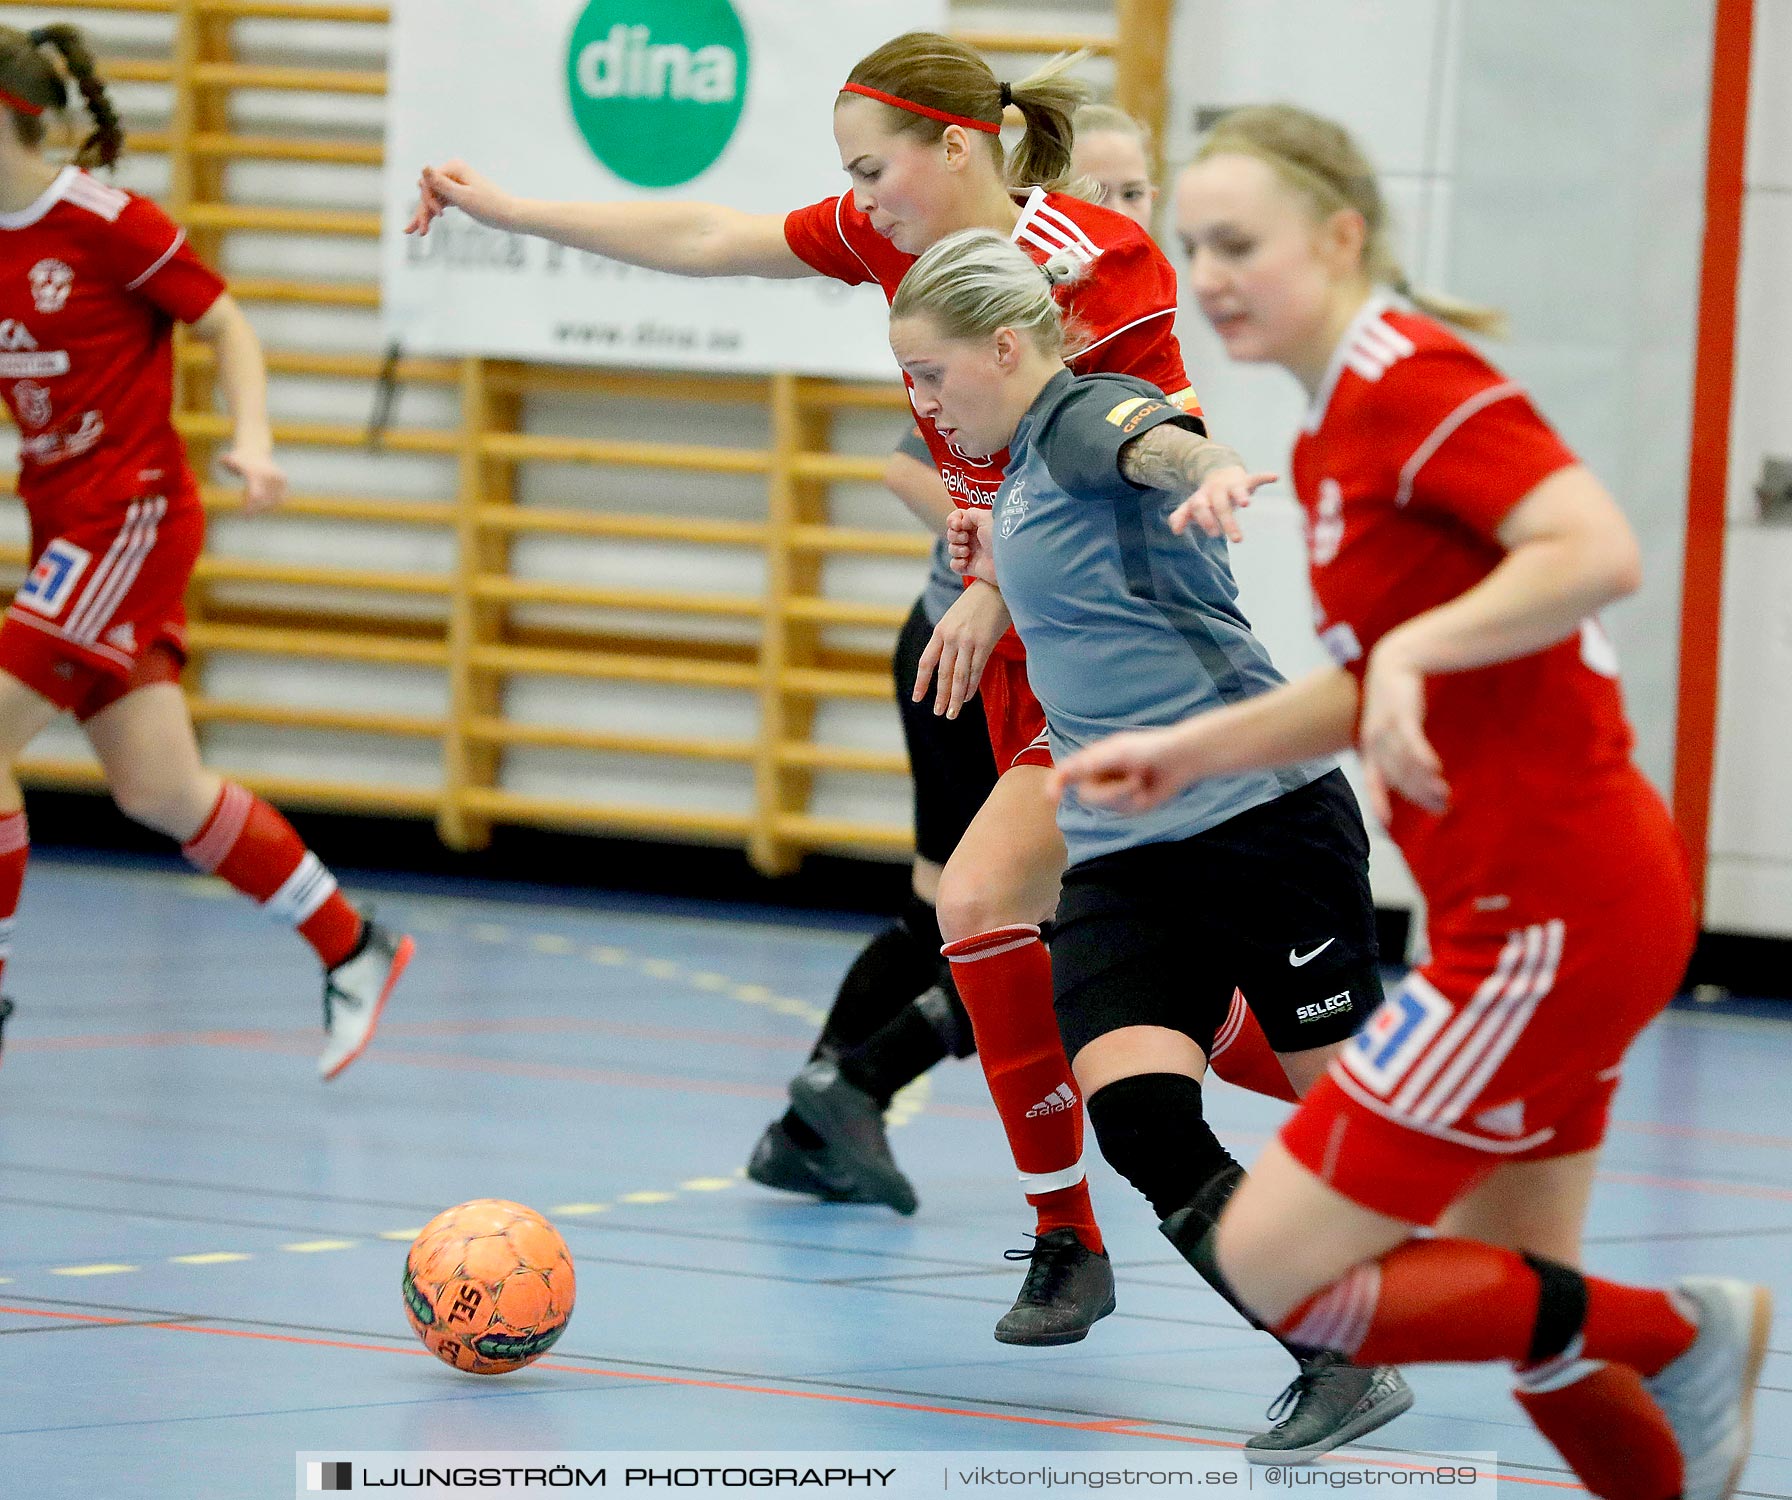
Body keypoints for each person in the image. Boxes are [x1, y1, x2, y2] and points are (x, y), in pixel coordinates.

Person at [408, 32, 1302, 1350]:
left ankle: (1374, 1129)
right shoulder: (903, 248)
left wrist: (1015, 561)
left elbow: (1137, 448)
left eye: (873, 167)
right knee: (1002, 915)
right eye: (848, 175)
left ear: (960, 147)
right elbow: (712, 238)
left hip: (1136, 651)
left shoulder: (1095, 265)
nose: (859, 195)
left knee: (1123, 970)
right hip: (1044, 648)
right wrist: (508, 206)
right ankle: (1065, 1235)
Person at [1050, 104, 1768, 1499]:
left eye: (1241, 242)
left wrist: (1425, 652)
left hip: (1547, 913)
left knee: (1282, 1265)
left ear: (1342, 232)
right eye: (1192, 245)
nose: (1210, 271)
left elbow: (1595, 546)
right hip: (1554, 903)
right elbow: (1367, 678)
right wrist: (1192, 753)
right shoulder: (1331, 445)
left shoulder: (1409, 382)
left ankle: (1689, 1330)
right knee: (1536, 1313)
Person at [890, 225, 1411, 1460]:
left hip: (1261, 824)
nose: (919, 400)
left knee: (1347, 1136)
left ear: (1008, 344)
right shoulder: (1009, 476)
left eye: (931, 374)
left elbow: (1144, 444)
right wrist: (983, 564)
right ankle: (1335, 1354)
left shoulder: (1082, 415)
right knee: (1139, 1120)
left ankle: (1547, 1306)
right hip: (1126, 855)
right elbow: (1057, 546)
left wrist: (1207, 468)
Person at [745, 100, 1245, 1212]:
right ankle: (847, 1096)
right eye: (1099, 192)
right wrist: (985, 576)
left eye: (1136, 193)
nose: (1116, 214)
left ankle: (825, 1106)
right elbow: (916, 470)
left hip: (1044, 657)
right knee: (1010, 914)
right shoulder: (985, 325)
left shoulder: (1109, 334)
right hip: (971, 653)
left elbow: (1157, 457)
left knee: (978, 913)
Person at [0, 24, 412, 1078]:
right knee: (157, 788)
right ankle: (350, 943)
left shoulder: (102, 222)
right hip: (63, 523)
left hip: (127, 517)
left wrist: (256, 436)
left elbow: (226, 323)